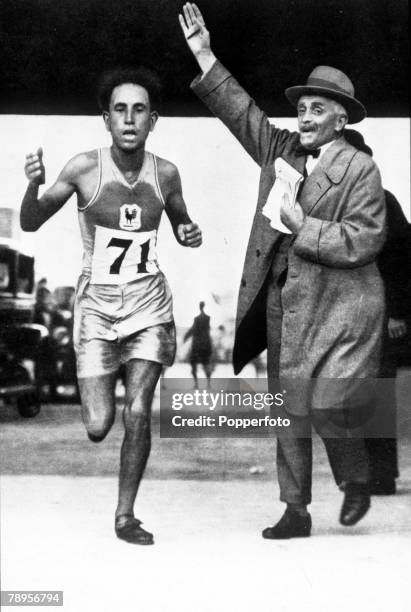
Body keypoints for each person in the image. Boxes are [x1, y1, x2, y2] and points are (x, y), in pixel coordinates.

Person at [180, 3, 386, 538]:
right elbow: (242, 113)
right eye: (303, 108)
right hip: (281, 301)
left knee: (328, 402)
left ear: (341, 119)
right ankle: (295, 509)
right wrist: (204, 54)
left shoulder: (360, 169)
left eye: (318, 109)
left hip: (338, 306)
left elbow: (366, 238)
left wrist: (303, 227)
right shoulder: (283, 151)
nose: (306, 117)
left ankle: (356, 479)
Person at [20, 66, 202, 545]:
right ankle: (105, 376)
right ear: (106, 119)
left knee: (139, 412)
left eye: (139, 110)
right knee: (99, 426)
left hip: (149, 306)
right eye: (119, 110)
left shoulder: (165, 173)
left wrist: (189, 232)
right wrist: (31, 186)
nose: (129, 119)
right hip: (97, 309)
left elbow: (183, 221)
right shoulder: (83, 168)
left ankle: (126, 516)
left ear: (153, 119)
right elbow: (32, 221)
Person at [344, 129, 411, 495]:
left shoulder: (382, 201)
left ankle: (381, 476)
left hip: (383, 318)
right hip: (354, 317)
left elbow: (403, 258)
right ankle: (366, 473)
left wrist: (398, 312)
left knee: (377, 392)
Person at [184, 300, 213, 387]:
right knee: (206, 363)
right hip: (206, 344)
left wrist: (186, 337)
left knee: (193, 364)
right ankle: (208, 383)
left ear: (199, 307)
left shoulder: (197, 319)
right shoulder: (208, 318)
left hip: (197, 345)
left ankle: (196, 384)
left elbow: (193, 329)